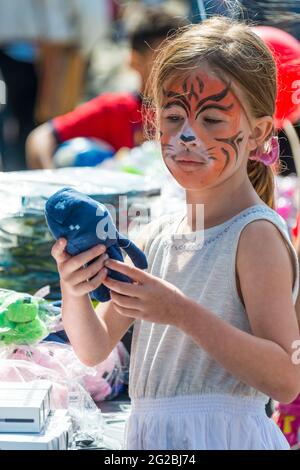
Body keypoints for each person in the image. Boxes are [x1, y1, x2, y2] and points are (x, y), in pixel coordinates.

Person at [51, 17, 300, 450]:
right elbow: (93, 349)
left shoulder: (254, 236)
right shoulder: (156, 233)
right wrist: (73, 286)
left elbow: (286, 380)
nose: (187, 136)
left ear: (258, 133)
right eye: (173, 116)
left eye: (213, 119)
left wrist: (181, 313)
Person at [26, 8, 187, 169]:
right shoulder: (115, 109)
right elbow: (40, 138)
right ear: (134, 61)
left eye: (182, 58)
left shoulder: (197, 112)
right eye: (165, 60)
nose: (176, 68)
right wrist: (52, 182)